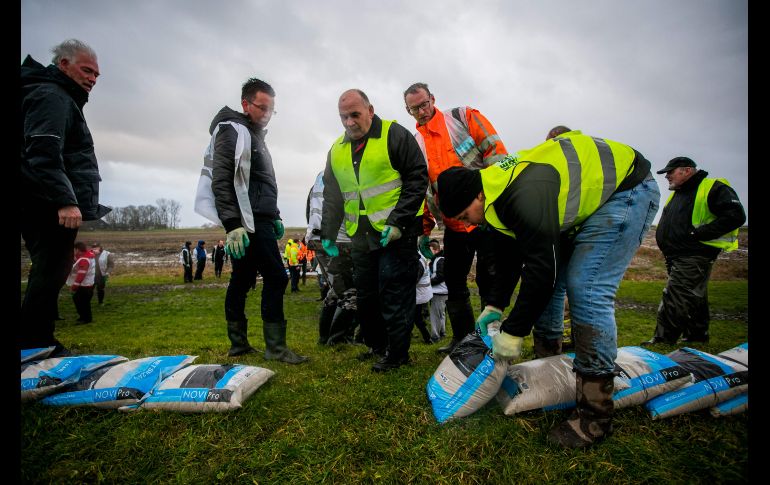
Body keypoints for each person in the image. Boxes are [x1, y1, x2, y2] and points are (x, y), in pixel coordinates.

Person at [436, 127, 660, 448]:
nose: (468, 224)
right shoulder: (496, 196)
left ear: (478, 196)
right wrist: (495, 305)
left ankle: (594, 414)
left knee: (587, 288)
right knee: (552, 290)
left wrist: (514, 331)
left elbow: (544, 270)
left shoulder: (523, 195)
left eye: (464, 215)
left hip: (625, 190)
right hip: (592, 200)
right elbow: (512, 258)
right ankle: (552, 371)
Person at [321, 89, 428, 372]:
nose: (349, 122)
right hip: (361, 236)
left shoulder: (395, 135)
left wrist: (398, 222)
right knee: (367, 296)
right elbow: (332, 196)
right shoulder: (337, 150)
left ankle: (398, 354)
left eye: (355, 115)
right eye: (343, 117)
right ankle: (378, 346)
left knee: (394, 289)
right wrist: (328, 234)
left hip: (397, 233)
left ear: (370, 110)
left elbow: (417, 178)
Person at [403, 82, 510, 354]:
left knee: (489, 278)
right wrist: (425, 229)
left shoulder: (463, 117)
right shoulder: (416, 144)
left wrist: (493, 203)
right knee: (454, 280)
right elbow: (425, 191)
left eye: (424, 104)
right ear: (409, 111)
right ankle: (462, 340)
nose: (421, 111)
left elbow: (496, 152)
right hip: (454, 225)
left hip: (484, 216)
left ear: (433, 99)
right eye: (414, 108)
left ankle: (490, 338)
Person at [20, 39, 110, 355]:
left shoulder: (58, 96)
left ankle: (35, 337)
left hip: (39, 194)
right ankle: (35, 341)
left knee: (49, 268)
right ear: (64, 65)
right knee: (52, 269)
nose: (92, 79)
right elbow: (44, 152)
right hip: (45, 199)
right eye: (86, 70)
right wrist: (65, 200)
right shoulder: (52, 96)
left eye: (97, 75)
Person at [209, 77, 307, 363]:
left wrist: (275, 214)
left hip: (260, 217)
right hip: (248, 221)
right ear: (245, 104)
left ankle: (239, 344)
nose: (266, 115)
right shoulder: (232, 132)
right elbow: (222, 179)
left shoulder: (253, 135)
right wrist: (232, 224)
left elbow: (261, 181)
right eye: (262, 108)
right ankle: (275, 348)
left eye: (271, 110)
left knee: (242, 278)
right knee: (277, 277)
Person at [641, 156, 746, 345]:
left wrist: (699, 234)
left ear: (687, 170)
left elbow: (736, 215)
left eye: (670, 172)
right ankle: (696, 336)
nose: (667, 176)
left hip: (694, 253)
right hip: (678, 254)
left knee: (676, 294)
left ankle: (663, 340)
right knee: (694, 296)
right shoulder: (680, 192)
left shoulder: (713, 187)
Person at [306, 170, 358, 345]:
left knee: (335, 290)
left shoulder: (319, 179)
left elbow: (310, 209)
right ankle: (338, 339)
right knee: (351, 293)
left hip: (316, 237)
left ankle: (324, 337)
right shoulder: (343, 173)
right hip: (336, 240)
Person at [66, 242, 96, 324]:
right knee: (82, 302)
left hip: (84, 285)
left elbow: (81, 274)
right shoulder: (89, 256)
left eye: (74, 250)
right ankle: (84, 317)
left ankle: (85, 319)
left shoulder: (84, 260)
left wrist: (74, 286)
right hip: (88, 283)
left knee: (82, 302)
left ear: (77, 249)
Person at [428, 238, 448, 343]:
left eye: (429, 249)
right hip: (441, 291)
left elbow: (441, 276)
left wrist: (428, 282)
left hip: (439, 292)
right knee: (441, 314)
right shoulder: (438, 259)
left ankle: (435, 337)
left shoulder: (440, 260)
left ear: (435, 249)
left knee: (435, 315)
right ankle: (442, 332)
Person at [413, 249, 434, 344]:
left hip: (419, 294)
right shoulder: (420, 257)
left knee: (416, 318)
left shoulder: (418, 261)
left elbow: (415, 280)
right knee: (417, 318)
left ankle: (428, 338)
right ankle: (427, 338)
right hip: (421, 294)